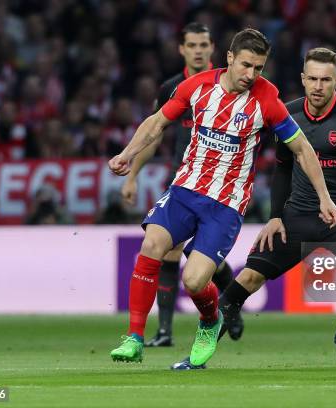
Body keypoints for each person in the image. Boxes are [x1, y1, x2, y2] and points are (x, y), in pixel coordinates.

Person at [108, 29, 336, 369]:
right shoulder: (196, 87)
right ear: (229, 58)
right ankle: (134, 338)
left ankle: (209, 320)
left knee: (194, 280)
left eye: (258, 68)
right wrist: (128, 154)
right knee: (152, 245)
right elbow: (157, 123)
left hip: (226, 204)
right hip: (186, 189)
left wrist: (325, 197)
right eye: (246, 65)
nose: (251, 75)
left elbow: (302, 149)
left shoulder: (267, 102)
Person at [216, 47, 336, 368]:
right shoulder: (286, 113)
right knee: (247, 280)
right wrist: (275, 217)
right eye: (313, 79)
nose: (318, 86)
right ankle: (200, 349)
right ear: (303, 79)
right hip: (297, 216)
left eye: (326, 80)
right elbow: (281, 168)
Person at [120, 22, 237, 348]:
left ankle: (231, 308)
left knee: (207, 262)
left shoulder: (230, 87)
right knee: (166, 249)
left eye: (203, 44)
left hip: (219, 186)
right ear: (182, 49)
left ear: (212, 48)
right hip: (183, 179)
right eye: (192, 45)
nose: (198, 50)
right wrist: (131, 175)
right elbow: (154, 134)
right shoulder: (172, 88)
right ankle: (164, 331)